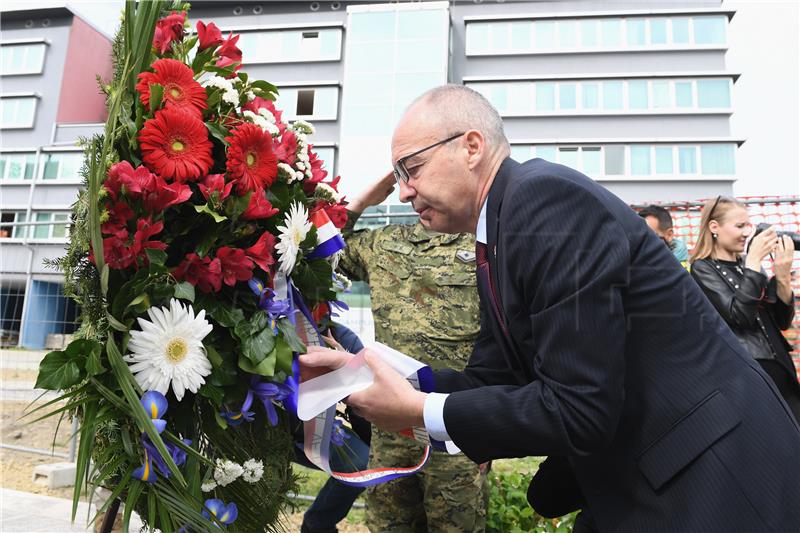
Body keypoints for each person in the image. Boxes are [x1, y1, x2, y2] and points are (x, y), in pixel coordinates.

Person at [301, 84, 800, 532]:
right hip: (648, 474)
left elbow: (581, 408)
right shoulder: (495, 232)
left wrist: (418, 411)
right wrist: (367, 376)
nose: (404, 190)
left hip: (710, 477)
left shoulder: (543, 202)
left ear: (471, 147)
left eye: (411, 169)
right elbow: (496, 378)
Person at [337, 173, 489, 532]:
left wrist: (489, 433)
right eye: (409, 179)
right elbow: (320, 250)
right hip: (391, 427)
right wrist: (360, 202)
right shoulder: (384, 243)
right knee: (388, 525)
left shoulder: (487, 245)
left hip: (457, 428)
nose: (416, 191)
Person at [689, 195, 800, 422]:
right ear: (714, 227)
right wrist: (753, 262)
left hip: (780, 367)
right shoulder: (702, 268)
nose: (747, 233)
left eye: (748, 225)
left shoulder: (749, 265)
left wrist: (781, 276)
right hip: (747, 373)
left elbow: (782, 321)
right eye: (740, 226)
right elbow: (740, 316)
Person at [294, 323, 370, 533]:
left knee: (360, 464)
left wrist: (344, 372)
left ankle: (317, 525)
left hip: (319, 431)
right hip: (259, 427)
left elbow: (365, 415)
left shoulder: (339, 338)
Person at [637, 204, 689, 268]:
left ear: (669, 235)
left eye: (651, 236)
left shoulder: (679, 272)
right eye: (639, 236)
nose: (643, 242)